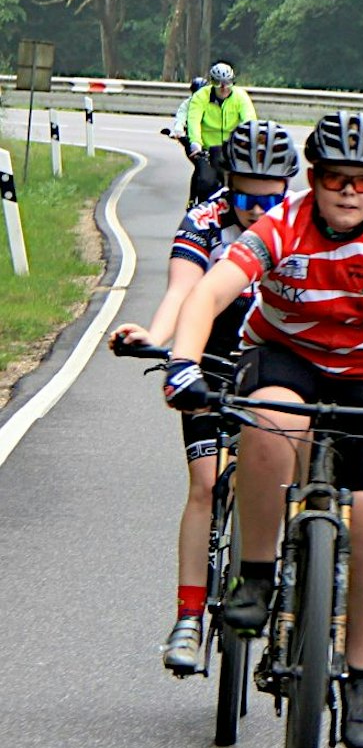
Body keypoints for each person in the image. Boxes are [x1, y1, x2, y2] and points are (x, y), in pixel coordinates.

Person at [159, 111, 363, 748]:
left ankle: (361, 675)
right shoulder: (283, 225)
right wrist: (183, 364)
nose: (349, 191)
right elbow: (211, 292)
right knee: (273, 418)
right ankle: (254, 574)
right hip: (285, 357)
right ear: (313, 178)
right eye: (336, 178)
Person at [109, 120, 299, 676]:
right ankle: (188, 618)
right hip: (212, 360)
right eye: (246, 196)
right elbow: (181, 289)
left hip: (277, 366)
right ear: (228, 183)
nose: (259, 210)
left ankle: (292, 610)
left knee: (295, 484)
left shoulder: (302, 222)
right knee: (205, 483)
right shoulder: (205, 219)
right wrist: (158, 338)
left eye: (272, 197)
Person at [173, 63, 258, 206]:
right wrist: (196, 143)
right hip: (206, 149)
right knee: (205, 180)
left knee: (239, 183)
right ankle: (197, 206)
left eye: (227, 83)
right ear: (212, 83)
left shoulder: (240, 96)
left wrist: (250, 142)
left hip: (231, 148)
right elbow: (194, 121)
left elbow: (249, 122)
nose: (224, 88)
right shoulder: (201, 97)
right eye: (218, 84)